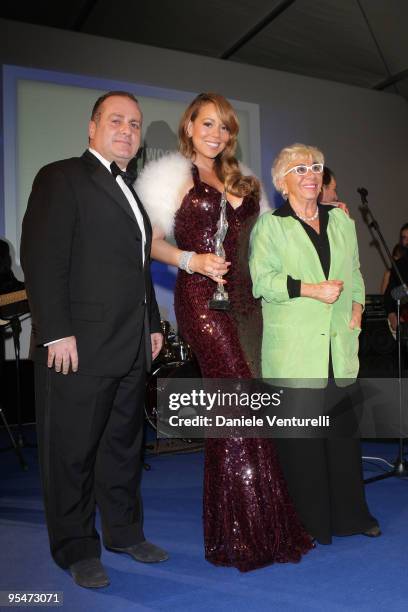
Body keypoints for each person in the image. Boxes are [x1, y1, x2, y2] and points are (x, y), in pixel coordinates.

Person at [136, 93, 312, 571]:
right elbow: (151, 244)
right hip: (199, 302)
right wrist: (191, 258)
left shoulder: (242, 179)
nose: (217, 133)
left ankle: (248, 524)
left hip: (242, 302)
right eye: (207, 123)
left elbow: (258, 244)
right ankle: (247, 531)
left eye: (225, 126)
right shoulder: (169, 177)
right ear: (189, 126)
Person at [20, 91, 167, 589]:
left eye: (135, 123)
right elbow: (42, 258)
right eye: (116, 120)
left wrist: (152, 324)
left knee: (123, 446)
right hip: (77, 346)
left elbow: (137, 264)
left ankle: (124, 533)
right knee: (72, 450)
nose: (127, 129)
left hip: (129, 345)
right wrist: (56, 331)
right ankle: (76, 547)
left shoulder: (131, 190)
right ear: (92, 127)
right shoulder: (60, 177)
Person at [249, 143, 380, 544]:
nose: (310, 174)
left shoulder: (342, 222)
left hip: (339, 347)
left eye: (316, 167)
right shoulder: (271, 225)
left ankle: (351, 517)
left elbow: (354, 272)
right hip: (295, 351)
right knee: (303, 447)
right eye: (300, 168)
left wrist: (356, 304)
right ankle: (311, 524)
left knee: (342, 438)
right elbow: (263, 283)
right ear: (282, 181)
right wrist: (311, 289)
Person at [384, 223, 408, 335]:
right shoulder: (398, 265)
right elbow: (390, 294)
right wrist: (392, 314)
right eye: (404, 238)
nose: (407, 241)